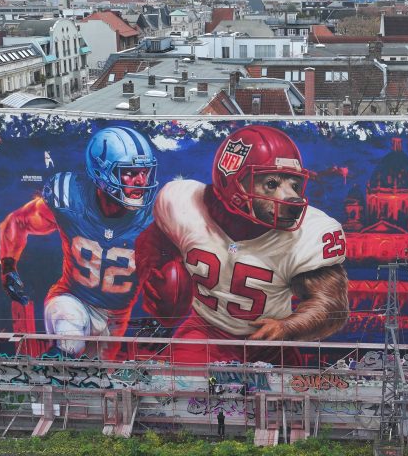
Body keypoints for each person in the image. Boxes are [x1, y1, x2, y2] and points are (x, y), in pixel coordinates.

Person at [137, 125, 349, 365]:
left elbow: (330, 304)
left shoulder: (309, 232)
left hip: (269, 342)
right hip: (206, 331)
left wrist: (288, 326)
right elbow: (152, 243)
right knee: (181, 391)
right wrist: (158, 278)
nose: (291, 197)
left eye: (295, 185)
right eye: (272, 183)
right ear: (232, 180)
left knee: (288, 398)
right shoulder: (186, 206)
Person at [0, 125, 162, 358]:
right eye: (130, 172)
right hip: (72, 299)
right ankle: (57, 358)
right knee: (69, 340)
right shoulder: (70, 198)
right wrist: (8, 267)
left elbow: (179, 265)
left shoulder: (156, 214)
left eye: (144, 172)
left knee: (97, 379)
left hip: (116, 318)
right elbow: (18, 222)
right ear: (101, 173)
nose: (140, 181)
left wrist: (164, 314)